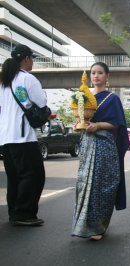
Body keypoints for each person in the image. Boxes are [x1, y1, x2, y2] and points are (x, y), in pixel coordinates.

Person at [71, 62, 129, 240]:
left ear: (107, 76)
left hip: (105, 145)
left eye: (100, 73)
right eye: (93, 73)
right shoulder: (83, 96)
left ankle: (99, 225)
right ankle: (83, 224)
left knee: (102, 185)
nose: (95, 76)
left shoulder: (112, 99)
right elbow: (81, 119)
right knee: (84, 184)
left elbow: (116, 124)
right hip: (87, 145)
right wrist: (78, 125)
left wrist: (97, 126)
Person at [0, 44, 47, 226]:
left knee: (15, 177)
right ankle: (24, 213)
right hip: (22, 137)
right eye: (32, 58)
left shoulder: (4, 81)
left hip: (5, 138)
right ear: (26, 58)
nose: (33, 62)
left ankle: (15, 212)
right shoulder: (27, 79)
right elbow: (41, 102)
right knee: (33, 175)